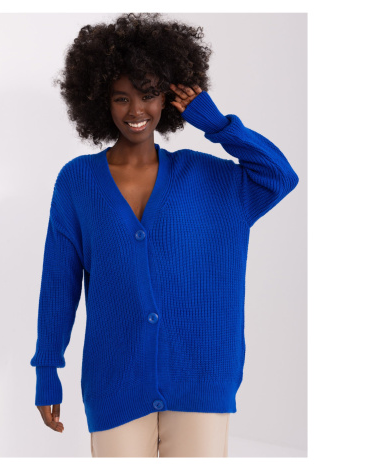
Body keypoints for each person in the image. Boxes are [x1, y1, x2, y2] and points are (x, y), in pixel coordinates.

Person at [30, 12, 299, 457]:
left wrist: (214, 123)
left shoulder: (211, 179)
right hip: (115, 382)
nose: (136, 110)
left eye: (149, 94)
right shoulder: (78, 182)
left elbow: (279, 176)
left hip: (201, 380)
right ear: (99, 101)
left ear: (168, 98)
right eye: (121, 98)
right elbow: (59, 284)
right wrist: (46, 369)